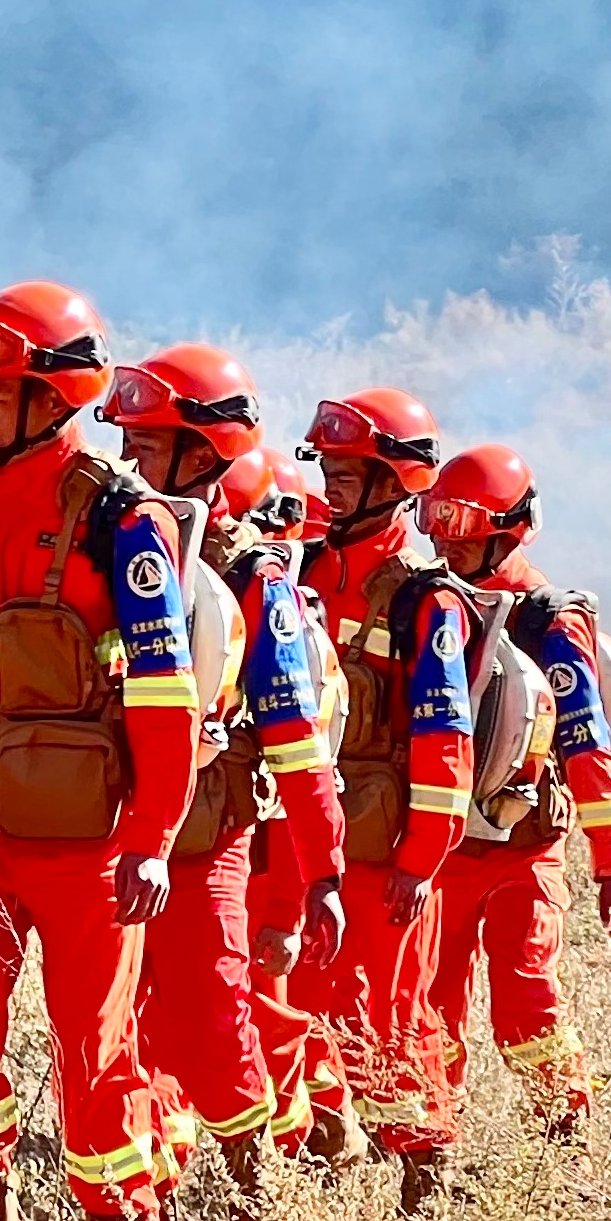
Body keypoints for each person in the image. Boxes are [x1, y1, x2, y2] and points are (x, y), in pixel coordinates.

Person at [0, 281, 197, 1221]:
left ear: (52, 391)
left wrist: (154, 835)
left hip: (90, 831)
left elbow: (166, 695)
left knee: (95, 1045)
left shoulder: (124, 519)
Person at [98, 351, 345, 1221]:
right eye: (122, 440)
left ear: (200, 453)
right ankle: (145, 1203)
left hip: (206, 837)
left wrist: (322, 870)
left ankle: (254, 1191)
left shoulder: (252, 577)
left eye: (146, 443)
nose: (127, 459)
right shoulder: (111, 537)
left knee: (210, 1011)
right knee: (116, 1025)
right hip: (110, 831)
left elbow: (296, 736)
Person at [420, 443, 611, 1131]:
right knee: (430, 1002)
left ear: (505, 530)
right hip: (443, 848)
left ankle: (561, 1126)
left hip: (523, 849)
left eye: (461, 529)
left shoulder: (548, 619)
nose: (444, 544)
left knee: (524, 994)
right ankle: (431, 1137)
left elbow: (586, 745)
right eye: (435, 524)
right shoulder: (428, 604)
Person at [296, 389, 471, 1215]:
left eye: (348, 474)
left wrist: (421, 858)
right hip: (311, 835)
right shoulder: (306, 565)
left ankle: (424, 1168)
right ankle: (330, 1140)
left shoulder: (421, 598)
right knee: (308, 994)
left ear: (392, 480)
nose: (330, 487)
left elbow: (443, 742)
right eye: (327, 470)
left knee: (393, 1007)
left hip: (385, 843)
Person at [221, 445, 361, 1162]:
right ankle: (320, 1119)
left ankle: (303, 1140)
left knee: (263, 1002)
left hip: (266, 843)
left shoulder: (282, 623)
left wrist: (308, 883)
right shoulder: (294, 617)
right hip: (259, 837)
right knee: (254, 999)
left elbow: (304, 758)